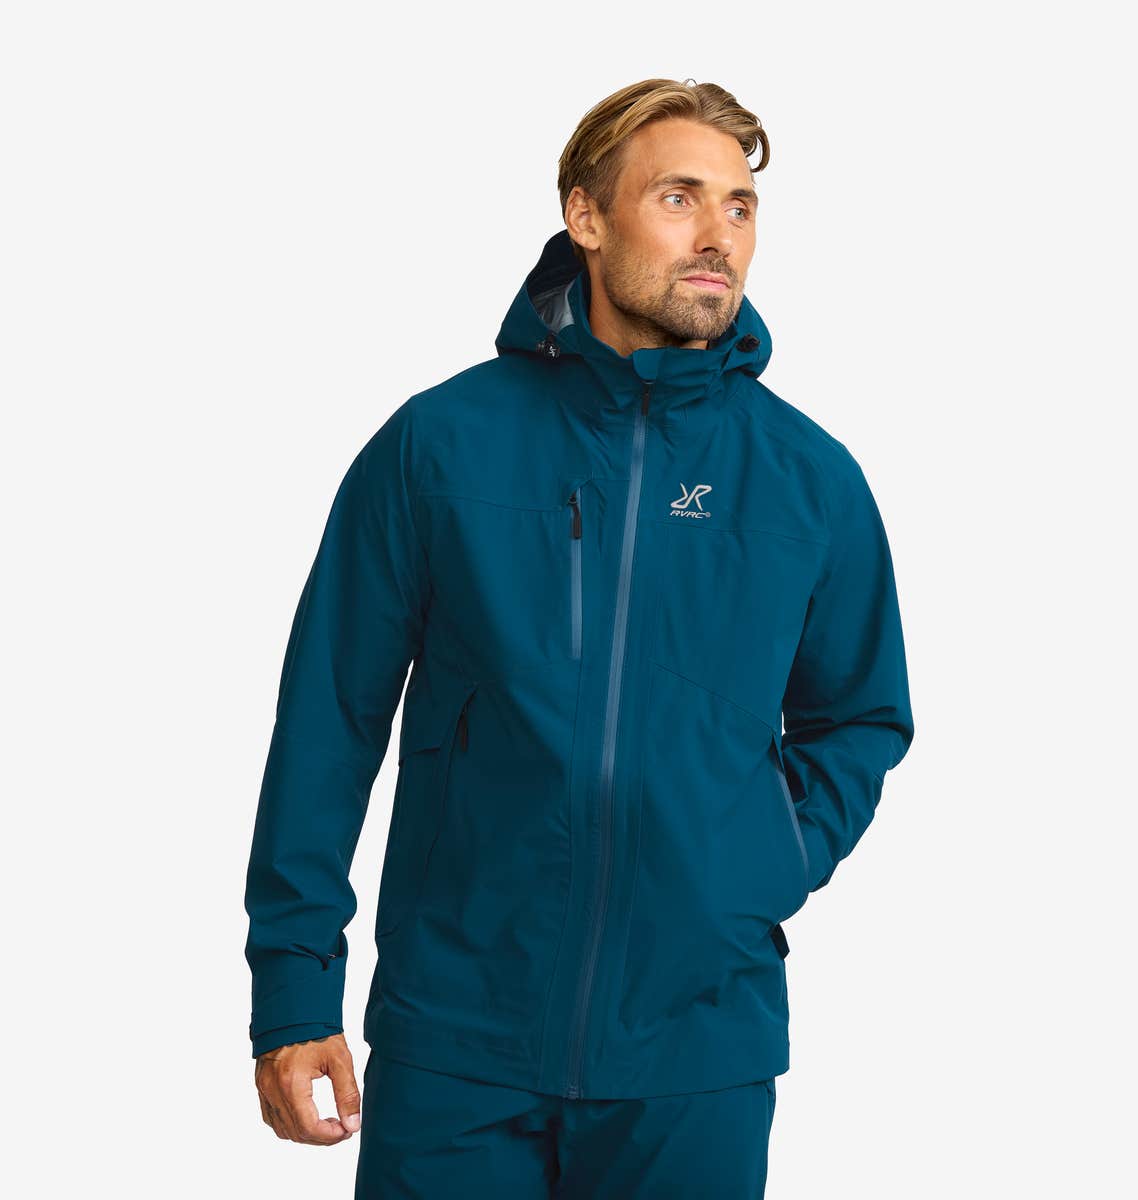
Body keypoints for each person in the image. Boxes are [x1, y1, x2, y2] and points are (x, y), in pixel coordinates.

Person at [244, 76, 915, 1199]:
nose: (718, 236)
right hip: (458, 1042)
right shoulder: (440, 446)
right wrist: (293, 990)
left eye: (741, 207)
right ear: (586, 217)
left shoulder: (808, 480)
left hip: (695, 1054)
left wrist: (768, 859)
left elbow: (861, 716)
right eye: (679, 198)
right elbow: (328, 719)